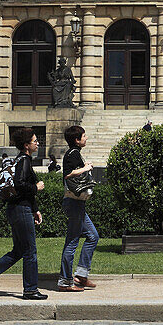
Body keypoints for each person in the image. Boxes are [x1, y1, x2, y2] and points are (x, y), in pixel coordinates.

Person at [0, 127, 47, 300]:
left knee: (19, 250)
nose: (37, 143)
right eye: (34, 141)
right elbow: (20, 185)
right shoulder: (24, 160)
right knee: (30, 251)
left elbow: (22, 189)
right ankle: (30, 289)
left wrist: (35, 209)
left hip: (19, 209)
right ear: (26, 145)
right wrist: (36, 187)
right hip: (20, 210)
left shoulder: (21, 160)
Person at [58, 124, 99, 293]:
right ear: (76, 140)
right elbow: (67, 174)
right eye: (84, 136)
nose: (86, 138)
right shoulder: (72, 154)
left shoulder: (75, 154)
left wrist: (83, 167)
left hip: (77, 204)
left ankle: (81, 275)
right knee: (72, 242)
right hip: (73, 203)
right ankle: (65, 282)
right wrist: (85, 168)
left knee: (93, 236)